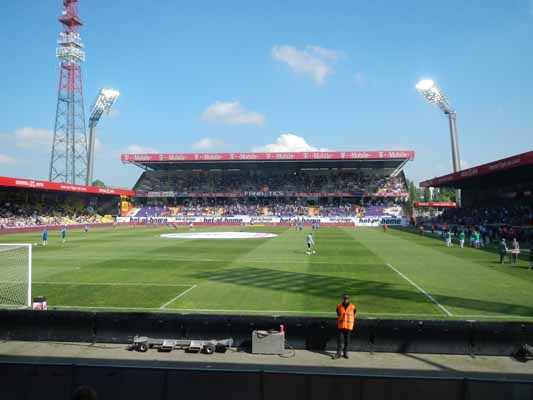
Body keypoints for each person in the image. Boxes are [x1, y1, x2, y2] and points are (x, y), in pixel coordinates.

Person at [334, 294, 356, 359]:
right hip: (341, 326)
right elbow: (338, 314)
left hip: (349, 326)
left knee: (347, 341)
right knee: (340, 340)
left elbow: (354, 314)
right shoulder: (339, 306)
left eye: (346, 299)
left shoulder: (353, 307)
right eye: (344, 299)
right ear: (342, 299)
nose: (345, 300)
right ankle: (338, 354)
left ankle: (345, 353)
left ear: (348, 299)